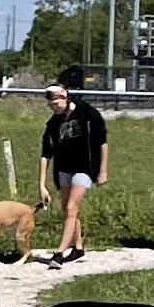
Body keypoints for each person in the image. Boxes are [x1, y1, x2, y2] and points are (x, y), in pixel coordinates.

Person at [37, 73, 108, 262]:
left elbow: (102, 140)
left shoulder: (85, 112)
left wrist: (102, 170)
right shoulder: (53, 123)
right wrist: (42, 185)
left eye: (56, 104)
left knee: (71, 207)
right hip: (64, 168)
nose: (54, 108)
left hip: (84, 167)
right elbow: (46, 154)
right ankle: (78, 247)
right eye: (50, 105)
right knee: (68, 210)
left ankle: (59, 252)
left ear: (65, 98)